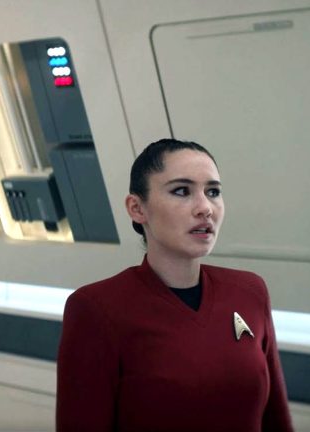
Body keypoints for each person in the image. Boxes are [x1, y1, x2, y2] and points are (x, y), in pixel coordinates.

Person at [56, 139, 293, 431]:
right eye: (182, 191)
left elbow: (277, 420)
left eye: (213, 192)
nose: (205, 208)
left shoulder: (249, 292)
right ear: (137, 208)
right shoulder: (96, 309)